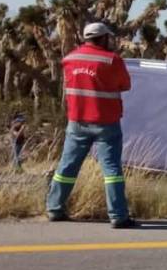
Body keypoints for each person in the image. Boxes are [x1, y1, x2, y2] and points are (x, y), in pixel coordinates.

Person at [46, 22, 137, 228]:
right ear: (103, 38)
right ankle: (118, 215)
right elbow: (125, 84)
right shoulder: (112, 60)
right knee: (111, 170)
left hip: (77, 121)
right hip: (106, 122)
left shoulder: (69, 59)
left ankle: (54, 207)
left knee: (67, 167)